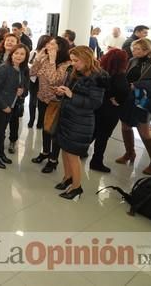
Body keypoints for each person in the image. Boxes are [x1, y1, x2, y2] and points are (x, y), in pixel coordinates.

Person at [53, 46, 106, 200]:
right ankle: (67, 177)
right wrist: (62, 92)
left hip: (80, 121)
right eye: (72, 60)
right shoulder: (75, 72)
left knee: (72, 154)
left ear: (86, 58)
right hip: (67, 116)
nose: (74, 63)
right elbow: (71, 92)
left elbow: (95, 103)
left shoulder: (98, 77)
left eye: (76, 60)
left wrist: (71, 95)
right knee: (64, 149)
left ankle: (77, 187)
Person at [115, 38, 151, 174]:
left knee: (143, 130)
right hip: (129, 99)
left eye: (138, 49)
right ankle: (130, 153)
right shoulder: (132, 61)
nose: (134, 51)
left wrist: (139, 85)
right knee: (125, 125)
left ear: (147, 50)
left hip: (144, 101)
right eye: (134, 49)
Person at [30, 36, 71, 173]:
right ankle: (45, 152)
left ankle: (53, 160)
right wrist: (37, 59)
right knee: (45, 128)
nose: (49, 46)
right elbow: (32, 72)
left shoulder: (67, 64)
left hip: (56, 102)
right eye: (49, 44)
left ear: (61, 48)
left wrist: (53, 61)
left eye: (53, 44)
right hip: (42, 99)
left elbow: (55, 81)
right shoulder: (45, 59)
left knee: (54, 131)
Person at [90, 48, 129, 173]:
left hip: (97, 107)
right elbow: (123, 91)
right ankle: (96, 161)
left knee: (93, 132)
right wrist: (117, 100)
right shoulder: (120, 76)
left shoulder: (99, 72)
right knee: (103, 136)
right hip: (110, 111)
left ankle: (80, 151)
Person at [0, 44, 29, 165]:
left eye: (22, 54)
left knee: (2, 132)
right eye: (16, 53)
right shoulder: (4, 68)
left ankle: (1, 154)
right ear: (11, 54)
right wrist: (4, 106)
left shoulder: (22, 69)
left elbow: (25, 88)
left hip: (12, 106)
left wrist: (22, 91)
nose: (19, 56)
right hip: (0, 106)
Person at [27, 35, 51, 129]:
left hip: (45, 82)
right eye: (46, 43)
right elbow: (27, 64)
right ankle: (31, 119)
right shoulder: (33, 52)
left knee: (42, 102)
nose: (48, 45)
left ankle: (40, 122)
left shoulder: (51, 55)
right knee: (32, 101)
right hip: (33, 80)